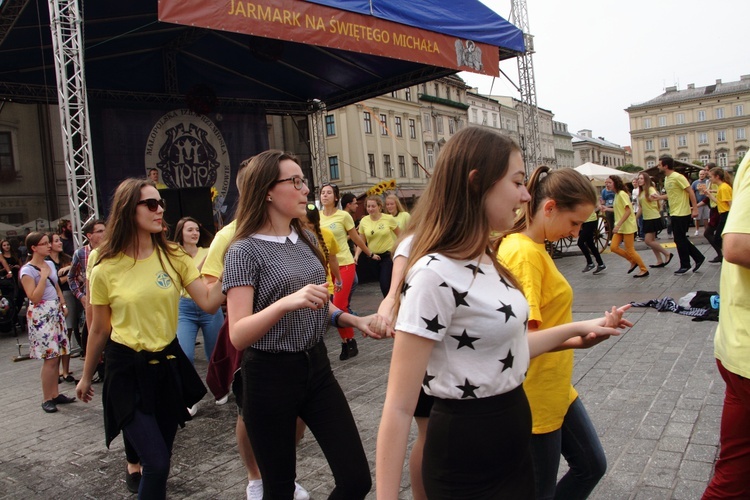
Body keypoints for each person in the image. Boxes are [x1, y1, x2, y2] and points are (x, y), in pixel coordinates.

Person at [376, 127, 628, 499]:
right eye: (516, 182)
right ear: (478, 183)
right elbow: (398, 406)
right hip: (466, 457)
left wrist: (579, 331)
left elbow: (504, 351)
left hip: (512, 445)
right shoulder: (432, 274)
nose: (526, 195)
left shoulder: (490, 259)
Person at [223, 150, 383, 499]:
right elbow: (238, 334)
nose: (304, 189)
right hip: (268, 376)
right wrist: (285, 302)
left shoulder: (306, 239)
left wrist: (354, 319)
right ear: (266, 190)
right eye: (294, 182)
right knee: (278, 489)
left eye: (303, 180)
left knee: (356, 480)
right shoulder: (242, 251)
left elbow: (314, 305)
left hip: (316, 367)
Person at [75, 178, 225, 499]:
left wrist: (234, 261)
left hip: (167, 367)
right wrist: (86, 376)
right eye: (152, 204)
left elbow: (210, 301)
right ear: (130, 210)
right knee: (155, 463)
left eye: (161, 204)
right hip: (125, 368)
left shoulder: (173, 256)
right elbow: (99, 328)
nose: (160, 211)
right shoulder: (104, 266)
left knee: (162, 463)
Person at [498, 166, 631, 499]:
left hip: (555, 387)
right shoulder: (524, 254)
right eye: (574, 223)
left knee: (591, 465)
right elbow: (521, 344)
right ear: (550, 208)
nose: (575, 234)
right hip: (535, 395)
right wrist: (580, 331)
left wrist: (585, 339)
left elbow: (544, 334)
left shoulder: (534, 248)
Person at [202, 157, 310, 500]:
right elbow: (210, 294)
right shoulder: (229, 238)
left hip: (296, 342)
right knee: (248, 412)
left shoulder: (300, 232)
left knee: (296, 417)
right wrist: (243, 285)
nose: (301, 189)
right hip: (250, 338)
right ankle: (255, 477)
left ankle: (279, 470)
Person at [702, 153, 750, 499]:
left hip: (739, 344)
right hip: (743, 347)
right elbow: (738, 244)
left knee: (735, 470)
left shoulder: (726, 184)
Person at [173, 216, 225, 416]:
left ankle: (220, 389)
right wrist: (201, 264)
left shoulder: (209, 251)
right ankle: (190, 397)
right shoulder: (174, 254)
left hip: (209, 307)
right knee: (185, 354)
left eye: (196, 229)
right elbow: (182, 280)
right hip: (184, 308)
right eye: (189, 230)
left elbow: (217, 276)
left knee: (214, 353)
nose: (194, 233)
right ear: (181, 234)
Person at [19, 232, 75, 413]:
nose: (48, 246)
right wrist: (42, 276)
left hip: (55, 311)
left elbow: (57, 286)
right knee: (50, 358)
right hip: (40, 314)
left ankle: (55, 393)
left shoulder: (50, 263)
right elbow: (33, 297)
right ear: (33, 248)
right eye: (43, 244)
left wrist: (63, 303)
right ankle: (46, 398)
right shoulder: (27, 270)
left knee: (57, 354)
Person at [320, 183, 376, 360]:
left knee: (339, 304)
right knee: (326, 306)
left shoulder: (343, 216)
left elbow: (356, 238)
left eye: (329, 193)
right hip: (325, 266)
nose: (325, 195)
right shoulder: (317, 217)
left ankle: (349, 342)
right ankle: (346, 340)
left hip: (344, 263)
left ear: (336, 197)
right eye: (322, 193)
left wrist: (369, 253)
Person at [652, 156, 705, 275]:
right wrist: (659, 197)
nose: (658, 166)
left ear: (665, 166)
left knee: (679, 239)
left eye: (659, 164)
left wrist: (695, 208)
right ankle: (698, 258)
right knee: (680, 239)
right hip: (674, 211)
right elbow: (672, 194)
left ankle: (685, 264)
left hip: (682, 212)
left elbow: (690, 192)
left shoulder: (678, 177)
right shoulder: (667, 178)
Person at [69, 219, 107, 358]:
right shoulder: (81, 253)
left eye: (105, 230)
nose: (105, 234)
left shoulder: (113, 250)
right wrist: (81, 296)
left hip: (108, 298)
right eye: (100, 231)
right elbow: (71, 277)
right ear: (89, 236)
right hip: (91, 300)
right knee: (93, 333)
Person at [601, 175, 649, 278]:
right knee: (613, 247)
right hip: (620, 226)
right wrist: (607, 209)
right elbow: (619, 209)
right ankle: (632, 261)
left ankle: (643, 269)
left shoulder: (622, 194)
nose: (607, 185)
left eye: (609, 182)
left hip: (626, 226)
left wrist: (618, 225)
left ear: (615, 183)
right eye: (606, 183)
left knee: (630, 249)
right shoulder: (617, 194)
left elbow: (628, 211)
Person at [46, 232, 76, 383]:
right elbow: (54, 281)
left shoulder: (67, 259)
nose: (60, 243)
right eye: (56, 241)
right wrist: (64, 274)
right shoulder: (46, 262)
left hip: (68, 295)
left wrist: (68, 271)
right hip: (54, 298)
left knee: (67, 333)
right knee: (56, 336)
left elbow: (74, 273)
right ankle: (56, 371)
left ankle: (65, 370)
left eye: (59, 240)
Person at [356, 196, 400, 297]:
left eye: (373, 206)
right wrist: (357, 255)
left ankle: (390, 306)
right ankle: (393, 301)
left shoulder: (388, 219)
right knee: (381, 283)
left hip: (387, 255)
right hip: (373, 257)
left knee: (385, 284)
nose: (370, 209)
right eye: (368, 206)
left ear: (380, 207)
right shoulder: (364, 221)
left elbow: (400, 235)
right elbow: (361, 241)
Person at [302, 203, 342, 298]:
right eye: (303, 223)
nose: (306, 226)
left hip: (325, 287)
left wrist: (339, 279)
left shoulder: (327, 235)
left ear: (316, 222)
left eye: (309, 223)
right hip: (304, 290)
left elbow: (332, 259)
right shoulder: (295, 236)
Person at [635, 171, 673, 268]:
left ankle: (667, 253)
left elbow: (657, 198)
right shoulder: (641, 192)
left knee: (648, 241)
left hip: (653, 217)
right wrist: (635, 218)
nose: (639, 180)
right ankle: (659, 260)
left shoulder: (650, 189)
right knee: (651, 241)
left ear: (646, 180)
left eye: (641, 178)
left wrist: (655, 198)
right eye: (638, 178)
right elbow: (641, 207)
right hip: (647, 218)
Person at [701, 167, 733, 263]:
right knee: (719, 237)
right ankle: (727, 255)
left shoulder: (723, 187)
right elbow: (720, 202)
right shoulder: (721, 187)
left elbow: (730, 203)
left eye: (711, 177)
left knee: (718, 238)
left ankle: (729, 254)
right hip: (723, 214)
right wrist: (709, 195)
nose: (709, 179)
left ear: (717, 176)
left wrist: (731, 217)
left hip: (726, 214)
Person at [577, 207, 606, 274]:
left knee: (580, 243)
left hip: (590, 221)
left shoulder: (584, 198)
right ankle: (601, 264)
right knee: (590, 244)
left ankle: (590, 263)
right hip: (586, 221)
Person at [692, 167, 710, 236]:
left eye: (703, 174)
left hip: (706, 202)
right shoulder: (695, 183)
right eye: (700, 174)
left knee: (706, 217)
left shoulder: (707, 182)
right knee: (697, 218)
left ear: (705, 175)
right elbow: (692, 192)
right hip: (698, 202)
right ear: (698, 175)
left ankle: (706, 229)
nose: (702, 175)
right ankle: (697, 230)